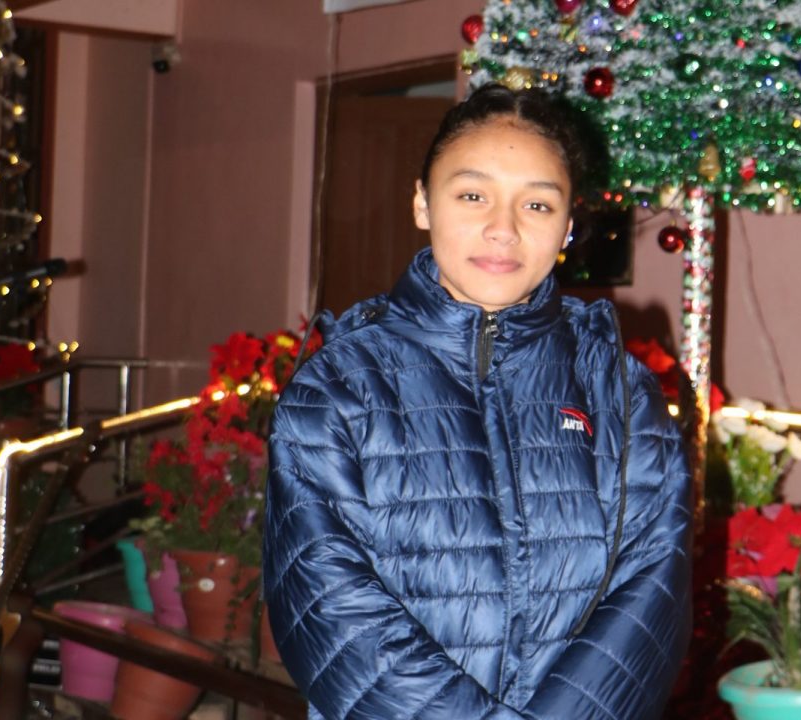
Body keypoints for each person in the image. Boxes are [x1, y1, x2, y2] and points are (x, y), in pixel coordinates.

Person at [263, 83, 691, 720]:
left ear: (568, 226)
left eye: (537, 204)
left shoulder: (618, 392)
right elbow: (328, 610)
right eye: (472, 195)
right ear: (422, 203)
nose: (503, 229)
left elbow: (650, 603)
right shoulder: (337, 389)